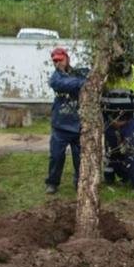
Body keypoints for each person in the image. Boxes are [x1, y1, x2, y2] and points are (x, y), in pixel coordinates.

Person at [103, 54, 134, 190]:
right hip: (110, 120)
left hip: (129, 120)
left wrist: (130, 53)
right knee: (111, 150)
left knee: (133, 150)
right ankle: (112, 178)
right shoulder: (107, 77)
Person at [45, 47, 85, 195]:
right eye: (54, 61)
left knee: (80, 158)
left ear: (67, 58)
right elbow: (64, 84)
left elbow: (86, 80)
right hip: (60, 126)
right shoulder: (55, 78)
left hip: (78, 124)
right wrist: (80, 83)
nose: (57, 63)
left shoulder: (78, 73)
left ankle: (79, 182)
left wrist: (81, 81)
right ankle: (52, 183)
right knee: (56, 157)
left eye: (60, 60)